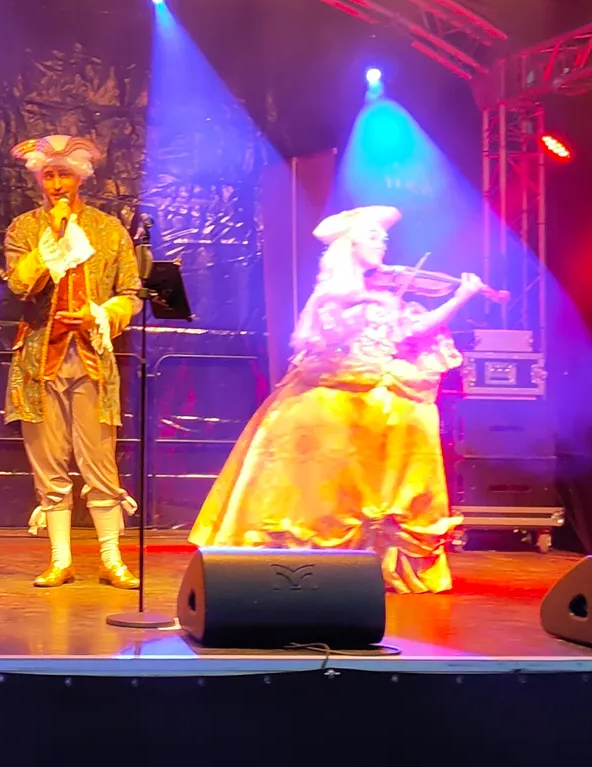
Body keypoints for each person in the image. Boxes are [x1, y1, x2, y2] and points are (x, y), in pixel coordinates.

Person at [190, 205, 488, 592]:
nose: (383, 242)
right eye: (372, 236)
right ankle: (305, 564)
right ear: (350, 244)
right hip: (336, 396)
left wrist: (461, 296)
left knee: (403, 449)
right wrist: (363, 307)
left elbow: (411, 331)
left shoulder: (381, 295)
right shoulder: (334, 294)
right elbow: (326, 341)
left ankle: (373, 559)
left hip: (380, 397)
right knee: (322, 485)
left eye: (384, 237)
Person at [2, 134, 140, 589]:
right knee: (49, 464)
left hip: (91, 358)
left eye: (64, 175)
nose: (57, 184)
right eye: (49, 176)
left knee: (99, 461)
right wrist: (52, 240)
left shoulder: (108, 230)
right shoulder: (25, 229)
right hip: (40, 361)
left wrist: (100, 315)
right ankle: (60, 560)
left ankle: (111, 559)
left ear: (80, 177)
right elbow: (19, 285)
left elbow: (130, 293)